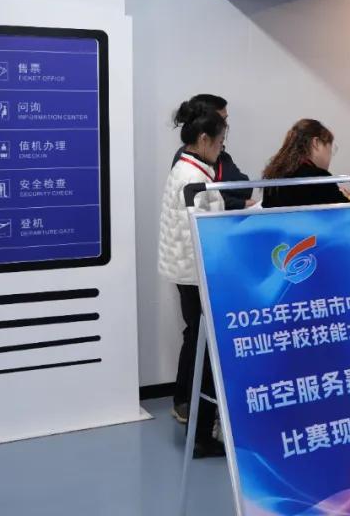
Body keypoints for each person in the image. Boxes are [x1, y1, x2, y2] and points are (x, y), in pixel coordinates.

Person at [158, 100, 227, 457]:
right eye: (219, 142)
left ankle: (199, 427)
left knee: (198, 344)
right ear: (203, 139)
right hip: (196, 274)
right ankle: (201, 435)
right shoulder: (193, 177)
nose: (221, 148)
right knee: (207, 353)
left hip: (185, 272)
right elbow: (201, 233)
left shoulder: (187, 167)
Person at [170, 94, 253, 211]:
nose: (225, 125)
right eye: (222, 120)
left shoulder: (217, 158)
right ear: (204, 138)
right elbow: (193, 220)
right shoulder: (193, 174)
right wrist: (240, 203)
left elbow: (245, 188)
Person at [261, 119, 350, 207]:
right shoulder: (319, 178)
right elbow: (348, 214)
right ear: (316, 143)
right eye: (329, 148)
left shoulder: (273, 177)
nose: (330, 155)